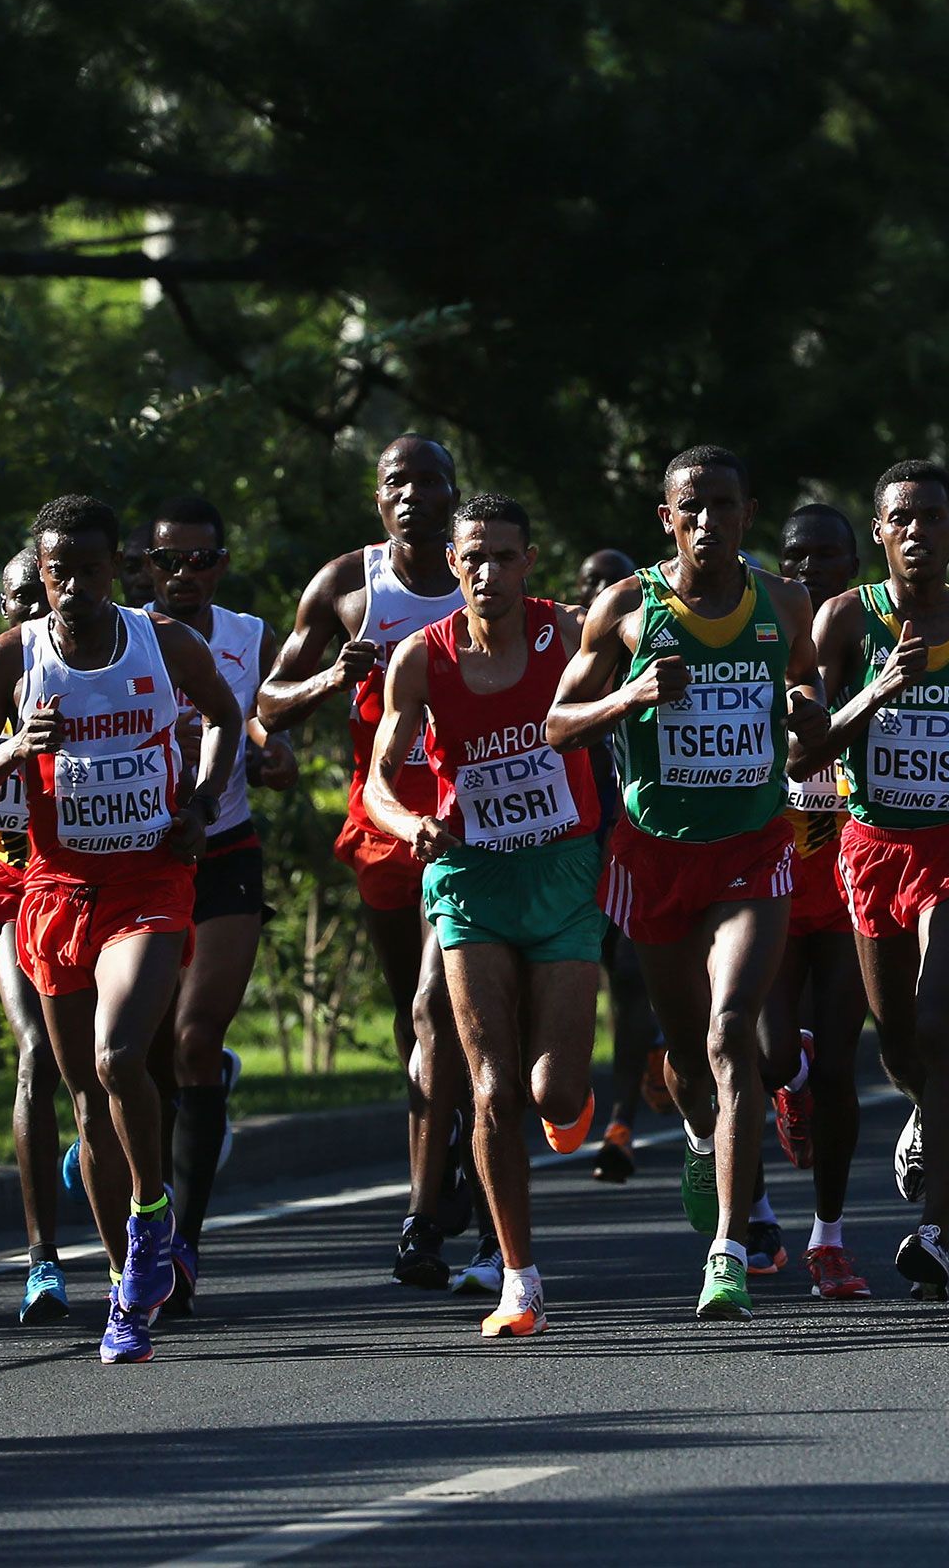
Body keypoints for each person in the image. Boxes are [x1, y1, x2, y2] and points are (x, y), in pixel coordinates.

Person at [0, 494, 241, 1363]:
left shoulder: (164, 642)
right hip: (55, 890)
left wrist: (200, 798)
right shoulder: (9, 660)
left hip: (150, 879)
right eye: (55, 570)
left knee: (119, 1056)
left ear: (122, 568)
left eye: (87, 568)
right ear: (40, 572)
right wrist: (12, 748)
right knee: (86, 1103)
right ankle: (126, 1293)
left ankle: (152, 1210)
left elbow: (225, 715)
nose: (70, 585)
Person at [546, 446, 831, 1321]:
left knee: (732, 1027)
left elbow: (809, 706)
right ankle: (705, 1136)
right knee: (683, 1055)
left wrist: (804, 717)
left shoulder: (784, 602)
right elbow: (559, 724)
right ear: (665, 517)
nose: (708, 520)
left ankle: (729, 1248)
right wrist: (627, 701)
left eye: (724, 505)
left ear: (751, 511)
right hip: (654, 857)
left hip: (750, 850)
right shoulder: (628, 606)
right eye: (690, 507)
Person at [365, 493, 607, 1336]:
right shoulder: (420, 661)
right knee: (494, 1083)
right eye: (475, 558)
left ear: (528, 562)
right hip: (469, 877)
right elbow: (377, 782)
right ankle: (519, 1276)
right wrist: (411, 824)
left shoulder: (568, 632)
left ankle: (572, 1102)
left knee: (555, 1087)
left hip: (564, 870)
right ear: (454, 564)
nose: (488, 572)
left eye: (505, 556)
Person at [802, 461, 949, 1298]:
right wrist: (876, 693)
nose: (918, 533)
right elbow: (805, 752)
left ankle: (935, 1231)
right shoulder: (843, 622)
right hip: (871, 847)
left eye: (933, 517)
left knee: (939, 1018)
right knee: (897, 1041)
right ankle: (923, 1110)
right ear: (879, 532)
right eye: (903, 518)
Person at [258, 438, 473, 1284]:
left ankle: (421, 1219)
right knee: (409, 1013)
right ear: (379, 501)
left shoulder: (480, 575)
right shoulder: (349, 585)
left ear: (454, 494)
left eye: (430, 481)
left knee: (431, 1004)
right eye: (398, 483)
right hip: (382, 821)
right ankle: (447, 1128)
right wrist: (328, 683)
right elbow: (267, 704)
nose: (414, 494)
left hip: (466, 823)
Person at [141, 496, 294, 1308]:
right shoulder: (120, 636)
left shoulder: (248, 635)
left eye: (203, 560)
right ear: (146, 566)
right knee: (152, 1056)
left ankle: (183, 1247)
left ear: (222, 566)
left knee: (197, 1041)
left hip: (225, 851)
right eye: (171, 560)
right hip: (140, 863)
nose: (187, 575)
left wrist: (276, 756)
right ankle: (150, 1215)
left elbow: (268, 723)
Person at [0, 549, 78, 1325]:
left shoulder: (100, 664)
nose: (35, 611)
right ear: (4, 606)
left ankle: (136, 1221)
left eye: (43, 596)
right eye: (19, 600)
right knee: (35, 1049)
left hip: (97, 881)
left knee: (112, 1060)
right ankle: (43, 1260)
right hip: (11, 886)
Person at [765, 503, 875, 1296]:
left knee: (840, 1067)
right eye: (795, 558)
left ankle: (827, 1235)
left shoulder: (877, 642)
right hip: (769, 875)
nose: (810, 571)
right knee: (771, 1052)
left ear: (852, 564)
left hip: (847, 881)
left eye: (826, 557)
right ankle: (786, 1076)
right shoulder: (756, 639)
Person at [570, 545, 659, 1185]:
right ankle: (569, 1093)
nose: (601, 592)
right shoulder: (568, 660)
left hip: (632, 839)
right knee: (576, 983)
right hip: (571, 847)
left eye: (612, 583)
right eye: (588, 585)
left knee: (630, 977)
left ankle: (621, 1121)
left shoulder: (658, 653)